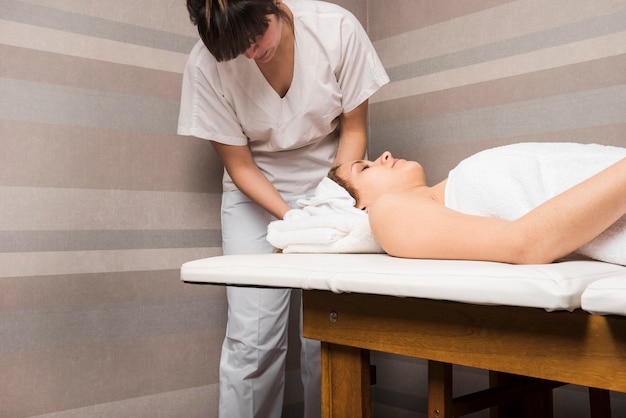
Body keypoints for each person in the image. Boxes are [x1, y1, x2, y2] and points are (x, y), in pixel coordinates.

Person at [177, 0, 389, 417]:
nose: (251, 53)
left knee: (327, 332)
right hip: (255, 190)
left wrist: (329, 204)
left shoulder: (336, 30)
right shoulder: (206, 64)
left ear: (274, 5)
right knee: (252, 339)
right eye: (240, 49)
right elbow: (239, 165)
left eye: (257, 38)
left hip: (331, 180)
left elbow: (355, 129)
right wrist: (294, 220)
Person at [328, 142, 626, 265]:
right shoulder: (385, 212)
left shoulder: (452, 188)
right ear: (360, 208)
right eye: (364, 169)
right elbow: (525, 243)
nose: (385, 156)